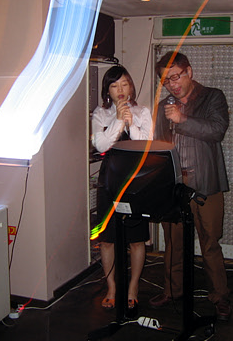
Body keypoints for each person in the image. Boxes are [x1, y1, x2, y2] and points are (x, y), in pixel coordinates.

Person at [151, 51, 232, 321]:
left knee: (210, 242)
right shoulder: (164, 106)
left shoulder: (212, 97)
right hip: (175, 185)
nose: (172, 85)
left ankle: (220, 297)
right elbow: (159, 146)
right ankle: (172, 290)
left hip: (206, 183)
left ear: (189, 72)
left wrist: (182, 119)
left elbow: (217, 130)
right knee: (173, 242)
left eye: (175, 77)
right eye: (166, 80)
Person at [91, 65, 153, 312]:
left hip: (135, 179)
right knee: (107, 239)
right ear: (107, 90)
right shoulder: (100, 114)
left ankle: (133, 287)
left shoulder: (142, 111)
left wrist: (130, 123)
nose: (120, 90)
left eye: (125, 84)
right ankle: (112, 288)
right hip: (109, 179)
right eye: (114, 85)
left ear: (131, 87)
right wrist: (117, 120)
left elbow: (146, 145)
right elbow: (101, 146)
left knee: (136, 239)